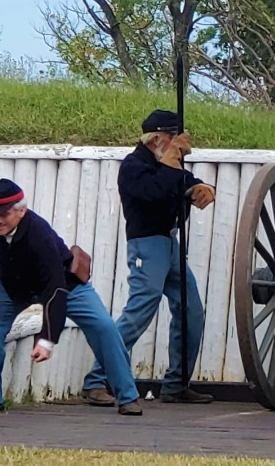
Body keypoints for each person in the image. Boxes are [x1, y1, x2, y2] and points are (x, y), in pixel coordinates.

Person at [0, 179, 142, 415]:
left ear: (21, 211)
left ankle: (128, 396)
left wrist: (46, 340)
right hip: (13, 286)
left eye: (4, 214)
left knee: (104, 327)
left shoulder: (40, 235)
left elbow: (55, 291)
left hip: (64, 285)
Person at [82, 109, 216, 405]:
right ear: (157, 139)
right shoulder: (133, 166)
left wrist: (200, 188)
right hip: (146, 245)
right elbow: (153, 191)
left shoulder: (166, 164)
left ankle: (177, 384)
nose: (178, 147)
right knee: (139, 312)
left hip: (169, 244)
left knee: (191, 310)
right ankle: (97, 380)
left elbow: (186, 182)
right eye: (173, 140)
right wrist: (172, 165)